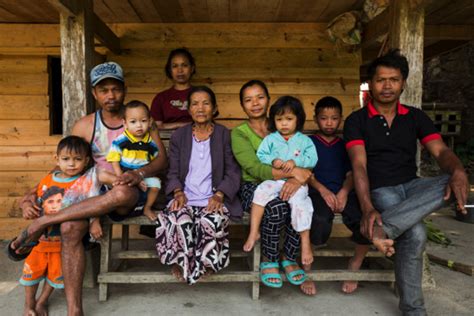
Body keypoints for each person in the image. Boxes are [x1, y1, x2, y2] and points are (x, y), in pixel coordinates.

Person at [10, 61, 168, 315]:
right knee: (70, 227)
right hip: (90, 193)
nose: (110, 95)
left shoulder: (138, 120)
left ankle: (41, 223)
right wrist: (31, 194)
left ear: (124, 90)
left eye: (115, 89)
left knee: (121, 191)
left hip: (129, 193)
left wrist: (137, 172)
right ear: (94, 94)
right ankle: (75, 310)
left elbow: (161, 160)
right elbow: (67, 164)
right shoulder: (85, 126)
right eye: (103, 90)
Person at [344, 49, 469, 315]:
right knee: (415, 233)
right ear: (371, 84)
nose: (387, 85)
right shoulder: (357, 120)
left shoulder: (415, 117)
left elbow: (441, 152)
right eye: (380, 80)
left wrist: (458, 169)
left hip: (413, 187)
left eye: (394, 79)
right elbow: (359, 166)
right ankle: (414, 310)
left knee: (455, 180)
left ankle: (384, 229)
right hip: (381, 188)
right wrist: (367, 208)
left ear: (403, 82)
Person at [231, 80, 315, 294]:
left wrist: (296, 180)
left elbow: (305, 162)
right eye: (248, 100)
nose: (255, 103)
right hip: (253, 186)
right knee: (277, 207)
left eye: (260, 97)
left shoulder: (283, 122)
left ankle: (289, 257)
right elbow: (255, 167)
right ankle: (270, 258)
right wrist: (295, 173)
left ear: (268, 99)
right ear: (242, 105)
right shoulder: (239, 133)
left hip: (285, 182)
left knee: (295, 201)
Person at [17, 136, 114, 316]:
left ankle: (42, 302)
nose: (71, 164)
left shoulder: (86, 182)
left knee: (56, 275)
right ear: (57, 159)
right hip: (39, 240)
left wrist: (95, 221)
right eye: (66, 159)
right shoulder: (48, 180)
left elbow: (94, 202)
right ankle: (28, 306)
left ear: (86, 161)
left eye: (77, 159)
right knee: (31, 273)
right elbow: (34, 200)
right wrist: (27, 207)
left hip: (62, 243)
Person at [155, 86, 242, 284]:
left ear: (214, 108)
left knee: (209, 221)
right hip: (185, 196)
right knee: (179, 220)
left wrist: (220, 195)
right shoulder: (179, 136)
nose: (200, 108)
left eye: (206, 103)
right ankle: (178, 261)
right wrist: (178, 192)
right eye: (195, 103)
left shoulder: (224, 135)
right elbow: (173, 171)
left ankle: (207, 263)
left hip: (213, 197)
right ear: (189, 109)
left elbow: (233, 171)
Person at [243, 96, 317, 269]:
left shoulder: (305, 141)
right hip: (275, 182)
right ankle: (254, 232)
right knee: (260, 191)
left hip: (296, 183)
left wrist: (296, 163)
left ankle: (305, 244)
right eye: (279, 119)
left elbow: (312, 159)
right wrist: (273, 160)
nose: (284, 123)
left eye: (289, 119)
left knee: (301, 205)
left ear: (298, 120)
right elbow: (261, 155)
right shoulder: (271, 139)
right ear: (273, 121)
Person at [307, 96, 370, 294]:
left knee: (365, 220)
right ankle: (306, 268)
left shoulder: (346, 144)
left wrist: (343, 192)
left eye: (334, 118)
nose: (329, 122)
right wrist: (323, 191)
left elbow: (353, 173)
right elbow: (305, 174)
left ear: (340, 119)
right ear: (316, 119)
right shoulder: (308, 143)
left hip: (344, 191)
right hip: (317, 192)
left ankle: (355, 264)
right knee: (318, 220)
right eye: (324, 118)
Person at [104, 100, 161, 222]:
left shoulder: (150, 142)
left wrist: (142, 177)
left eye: (143, 121)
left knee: (156, 184)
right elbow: (114, 159)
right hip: (125, 174)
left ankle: (147, 208)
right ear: (125, 124)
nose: (139, 125)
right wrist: (120, 177)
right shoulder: (121, 141)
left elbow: (152, 161)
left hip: (141, 174)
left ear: (150, 122)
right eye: (133, 122)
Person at [150, 48, 195, 129]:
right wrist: (180, 125)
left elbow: (207, 123)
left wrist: (167, 125)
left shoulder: (201, 95)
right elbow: (156, 127)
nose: (180, 70)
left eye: (184, 65)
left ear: (192, 68)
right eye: (175, 66)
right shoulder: (161, 98)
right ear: (170, 70)